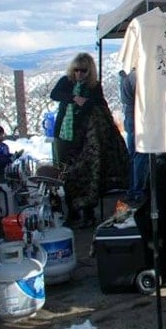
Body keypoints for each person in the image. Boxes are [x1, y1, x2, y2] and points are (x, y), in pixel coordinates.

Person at [51, 52, 128, 228]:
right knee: (67, 173)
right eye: (76, 70)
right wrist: (74, 98)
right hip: (65, 134)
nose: (79, 74)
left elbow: (98, 105)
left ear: (89, 71)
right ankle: (72, 211)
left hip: (86, 136)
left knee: (88, 173)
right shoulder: (66, 82)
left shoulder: (94, 86)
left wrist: (87, 105)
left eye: (83, 71)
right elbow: (55, 94)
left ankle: (88, 211)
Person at [119, 69, 148, 205]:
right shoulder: (136, 76)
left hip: (130, 116)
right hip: (138, 116)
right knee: (140, 154)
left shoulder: (126, 75)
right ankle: (138, 191)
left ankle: (132, 189)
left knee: (133, 155)